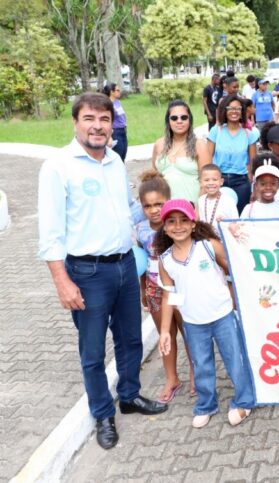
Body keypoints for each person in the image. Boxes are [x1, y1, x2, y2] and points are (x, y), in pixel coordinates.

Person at [38, 92, 167, 450]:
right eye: (89, 118)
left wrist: (167, 208)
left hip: (124, 265)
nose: (97, 126)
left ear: (112, 124)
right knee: (93, 352)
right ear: (75, 122)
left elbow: (127, 210)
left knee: (130, 339)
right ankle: (103, 414)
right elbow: (50, 234)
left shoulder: (113, 161)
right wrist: (62, 281)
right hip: (87, 273)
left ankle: (129, 395)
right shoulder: (58, 167)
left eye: (104, 119)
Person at [157, 199, 255, 428]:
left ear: (193, 224)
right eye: (171, 222)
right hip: (193, 322)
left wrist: (233, 236)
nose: (178, 226)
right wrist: (165, 331)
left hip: (223, 316)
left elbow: (234, 266)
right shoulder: (165, 260)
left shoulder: (208, 246)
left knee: (235, 360)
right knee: (201, 365)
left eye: (184, 220)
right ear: (165, 227)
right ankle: (206, 404)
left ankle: (244, 400)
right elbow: (170, 296)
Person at [136, 170, 194, 402]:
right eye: (148, 206)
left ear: (168, 201)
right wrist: (143, 289)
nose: (153, 210)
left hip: (179, 288)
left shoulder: (175, 226)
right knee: (166, 333)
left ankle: (196, 373)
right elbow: (140, 261)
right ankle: (172, 378)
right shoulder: (140, 229)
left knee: (188, 331)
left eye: (159, 204)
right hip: (154, 289)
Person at [207, 95, 259, 213]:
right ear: (224, 111)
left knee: (239, 216)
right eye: (230, 108)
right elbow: (208, 158)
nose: (234, 111)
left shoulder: (249, 134)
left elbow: (253, 162)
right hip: (218, 180)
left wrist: (253, 186)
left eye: (238, 108)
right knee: (218, 215)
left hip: (241, 181)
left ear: (242, 111)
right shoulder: (216, 131)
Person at [152, 100, 210, 203]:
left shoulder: (200, 145)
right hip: (165, 207)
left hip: (192, 207)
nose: (179, 121)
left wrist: (197, 209)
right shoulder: (159, 144)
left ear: (190, 120)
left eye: (184, 117)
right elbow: (153, 178)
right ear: (168, 121)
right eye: (174, 118)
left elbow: (208, 182)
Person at [197, 163, 239, 237]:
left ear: (221, 181)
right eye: (206, 180)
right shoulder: (201, 200)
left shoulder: (229, 201)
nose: (211, 183)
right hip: (206, 238)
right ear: (201, 182)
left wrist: (224, 223)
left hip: (225, 239)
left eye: (215, 180)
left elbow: (236, 224)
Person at [103, 83, 128, 161]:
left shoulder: (118, 102)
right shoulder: (107, 105)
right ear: (111, 92)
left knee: (123, 155)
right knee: (118, 158)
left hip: (123, 131)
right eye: (117, 90)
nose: (119, 92)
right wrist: (109, 136)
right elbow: (106, 121)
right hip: (115, 132)